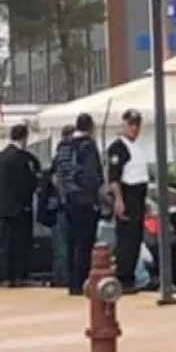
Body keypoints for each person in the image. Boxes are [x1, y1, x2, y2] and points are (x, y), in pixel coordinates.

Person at [54, 113, 103, 295]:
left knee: (71, 242)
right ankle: (81, 281)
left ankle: (71, 281)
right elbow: (91, 176)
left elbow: (57, 171)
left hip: (67, 199)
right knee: (85, 243)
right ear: (91, 127)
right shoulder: (87, 146)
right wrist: (94, 200)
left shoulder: (64, 146)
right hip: (84, 201)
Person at [106, 109, 149, 293]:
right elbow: (114, 178)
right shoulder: (118, 147)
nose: (134, 128)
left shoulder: (137, 147)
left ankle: (129, 277)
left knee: (135, 239)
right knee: (126, 240)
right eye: (131, 124)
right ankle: (123, 278)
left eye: (137, 124)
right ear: (123, 124)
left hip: (138, 197)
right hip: (127, 195)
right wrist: (118, 200)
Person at [0, 124, 41, 287]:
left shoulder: (2, 156)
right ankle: (19, 275)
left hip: (3, 208)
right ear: (25, 137)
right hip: (20, 208)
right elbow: (26, 183)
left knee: (5, 244)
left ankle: (4, 276)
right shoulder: (23, 159)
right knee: (20, 243)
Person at [50, 125, 75, 288]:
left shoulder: (58, 155)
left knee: (61, 246)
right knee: (65, 246)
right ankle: (63, 278)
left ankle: (61, 278)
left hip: (59, 206)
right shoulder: (68, 154)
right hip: (65, 205)